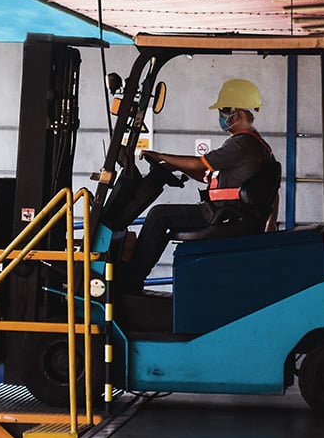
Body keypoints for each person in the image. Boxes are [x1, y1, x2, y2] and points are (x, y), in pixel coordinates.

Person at [115, 78, 278, 293]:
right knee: (162, 220)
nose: (221, 117)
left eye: (223, 112)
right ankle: (134, 278)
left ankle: (130, 281)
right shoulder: (255, 145)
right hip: (233, 215)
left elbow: (199, 163)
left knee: (158, 216)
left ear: (237, 114)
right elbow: (205, 174)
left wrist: (161, 155)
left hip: (224, 216)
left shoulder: (241, 144)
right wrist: (175, 168)